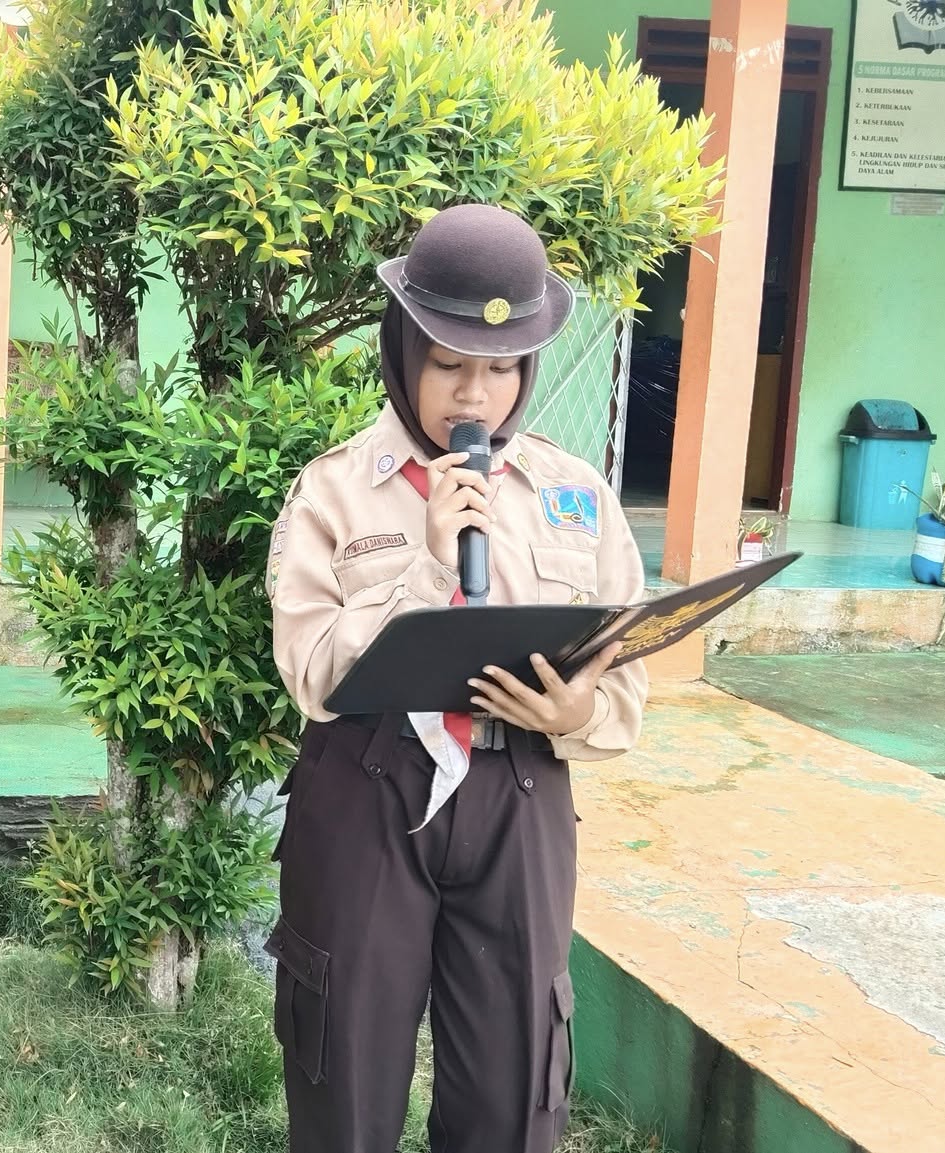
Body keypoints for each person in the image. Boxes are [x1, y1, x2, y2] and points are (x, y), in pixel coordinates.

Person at [264, 202, 648, 1153]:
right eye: (448, 365)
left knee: (515, 1088)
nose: (476, 397)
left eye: (502, 368)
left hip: (520, 794)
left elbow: (624, 683)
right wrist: (430, 565)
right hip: (367, 789)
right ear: (403, 351)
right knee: (345, 1076)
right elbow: (311, 674)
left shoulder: (575, 495)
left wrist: (577, 708)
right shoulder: (333, 490)